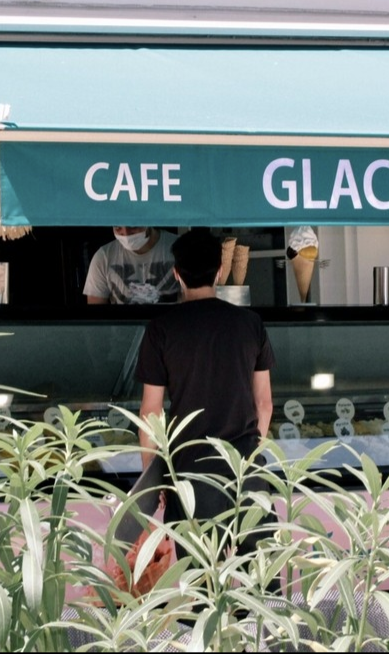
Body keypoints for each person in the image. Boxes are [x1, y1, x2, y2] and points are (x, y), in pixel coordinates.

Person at [135, 228, 276, 564]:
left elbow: (151, 414)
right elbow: (264, 405)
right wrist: (248, 459)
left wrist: (154, 484)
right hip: (245, 474)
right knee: (255, 589)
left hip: (190, 478)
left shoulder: (162, 329)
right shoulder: (250, 323)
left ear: (176, 275)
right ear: (220, 272)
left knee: (202, 595)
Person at [83, 227, 180, 304]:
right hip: (124, 328)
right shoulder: (104, 257)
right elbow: (96, 312)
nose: (126, 233)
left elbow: (192, 299)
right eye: (118, 227)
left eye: (133, 225)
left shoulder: (179, 248)